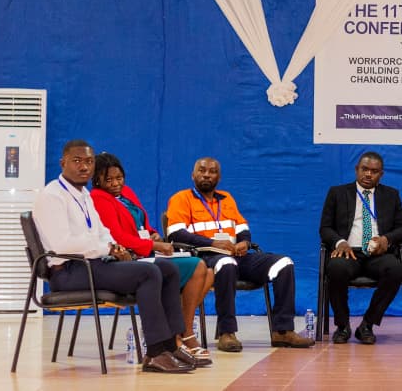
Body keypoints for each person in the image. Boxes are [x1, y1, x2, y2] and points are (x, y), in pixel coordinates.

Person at [33, 140, 195, 373]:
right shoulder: (52, 196)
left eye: (88, 161)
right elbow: (63, 244)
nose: (84, 167)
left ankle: (171, 344)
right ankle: (156, 352)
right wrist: (106, 249)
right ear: (63, 163)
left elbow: (102, 232)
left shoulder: (84, 195)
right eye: (77, 161)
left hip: (92, 264)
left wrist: (115, 248)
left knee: (168, 269)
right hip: (69, 271)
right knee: (148, 272)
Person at [166, 157, 313, 352]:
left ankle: (282, 331)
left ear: (219, 177)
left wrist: (244, 241)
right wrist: (213, 243)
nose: (207, 175)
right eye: (202, 170)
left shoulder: (226, 199)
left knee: (283, 263)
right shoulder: (181, 198)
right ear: (193, 175)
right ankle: (227, 333)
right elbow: (175, 233)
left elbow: (242, 227)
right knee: (227, 264)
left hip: (236, 255)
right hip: (204, 257)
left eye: (212, 171)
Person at [90, 152, 213, 366]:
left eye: (119, 178)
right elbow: (117, 236)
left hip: (146, 252)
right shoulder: (98, 198)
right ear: (97, 180)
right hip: (130, 258)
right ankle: (179, 335)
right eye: (108, 179)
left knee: (208, 272)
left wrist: (153, 233)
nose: (115, 183)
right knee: (197, 266)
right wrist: (154, 245)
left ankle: (180, 332)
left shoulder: (126, 193)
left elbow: (141, 225)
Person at [319, 152, 402, 345]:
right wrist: (339, 242)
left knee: (396, 270)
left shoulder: (391, 195)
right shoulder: (337, 193)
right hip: (348, 251)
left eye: (374, 171)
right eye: (365, 169)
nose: (368, 174)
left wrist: (386, 239)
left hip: (377, 254)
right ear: (356, 170)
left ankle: (367, 324)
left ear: (381, 175)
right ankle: (342, 326)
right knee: (335, 268)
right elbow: (325, 228)